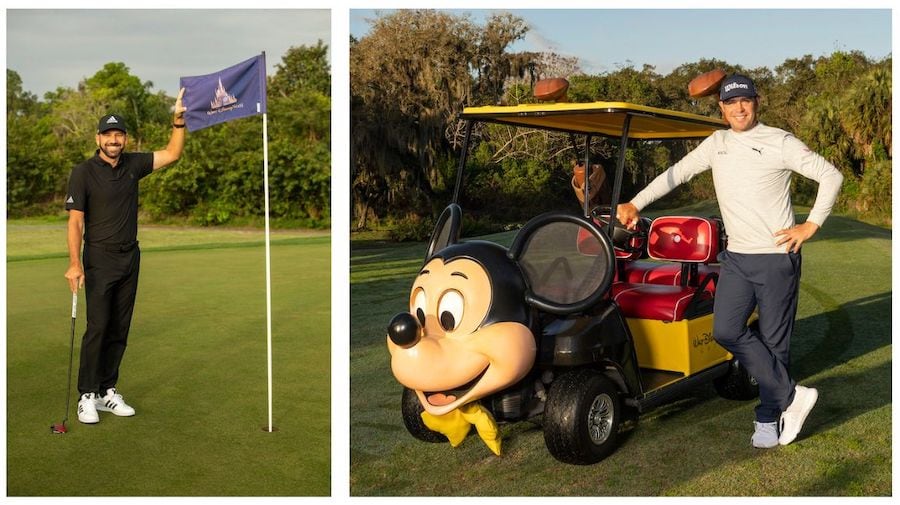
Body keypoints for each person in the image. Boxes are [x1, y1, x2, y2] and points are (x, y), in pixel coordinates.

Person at [616, 74, 843, 448]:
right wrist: (636, 203)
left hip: (775, 259)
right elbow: (676, 174)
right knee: (725, 330)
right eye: (731, 103)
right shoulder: (716, 144)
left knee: (774, 343)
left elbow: (830, 176)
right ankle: (793, 397)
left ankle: (768, 419)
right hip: (736, 258)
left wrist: (811, 225)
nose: (739, 108)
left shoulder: (779, 141)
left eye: (745, 101)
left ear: (756, 102)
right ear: (721, 108)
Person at [64, 88, 187, 424]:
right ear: (98, 138)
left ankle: (107, 391)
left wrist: (178, 121)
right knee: (98, 327)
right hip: (99, 258)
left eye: (118, 135)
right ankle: (87, 395)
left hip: (130, 257)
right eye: (108, 135)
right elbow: (75, 222)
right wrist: (75, 263)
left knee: (119, 328)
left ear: (125, 139)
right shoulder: (83, 172)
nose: (113, 140)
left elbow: (172, 153)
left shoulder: (134, 164)